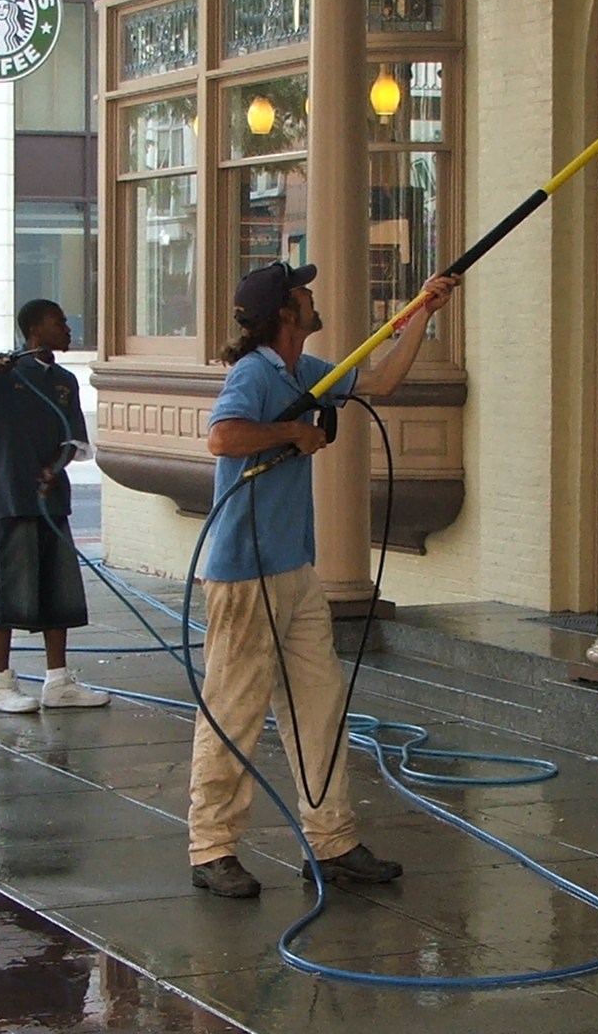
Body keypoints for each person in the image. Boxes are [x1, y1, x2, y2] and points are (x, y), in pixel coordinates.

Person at [189, 259, 459, 898]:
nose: (314, 296)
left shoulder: (303, 371)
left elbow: (383, 380)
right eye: (303, 291)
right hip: (243, 574)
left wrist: (422, 311)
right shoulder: (256, 372)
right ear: (286, 312)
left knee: (319, 706)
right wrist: (292, 431)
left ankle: (331, 841)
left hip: (293, 571)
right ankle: (211, 848)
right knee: (234, 710)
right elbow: (222, 438)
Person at [0, 299, 111, 715]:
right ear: (35, 330)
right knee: (8, 589)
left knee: (58, 588)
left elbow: (74, 441)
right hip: (9, 497)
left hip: (50, 501)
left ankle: (57, 681)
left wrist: (55, 468)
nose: (69, 329)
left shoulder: (63, 381)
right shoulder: (2, 372)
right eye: (60, 322)